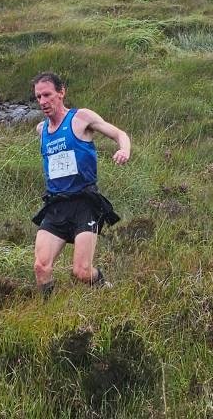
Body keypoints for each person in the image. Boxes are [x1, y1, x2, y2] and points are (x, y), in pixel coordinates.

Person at [30, 72, 131, 298]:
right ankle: (49, 312)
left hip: (85, 203)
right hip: (56, 205)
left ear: (61, 92)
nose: (43, 101)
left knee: (82, 272)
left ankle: (105, 291)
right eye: (38, 97)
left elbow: (119, 133)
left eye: (47, 95)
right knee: (40, 266)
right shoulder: (41, 130)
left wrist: (124, 149)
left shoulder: (81, 118)